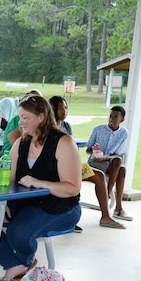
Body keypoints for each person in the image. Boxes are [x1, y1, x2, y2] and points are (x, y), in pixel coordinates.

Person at [0, 95, 82, 281]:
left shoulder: (63, 142)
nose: (20, 122)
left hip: (61, 206)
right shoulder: (21, 143)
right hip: (27, 203)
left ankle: (22, 264)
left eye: (25, 118)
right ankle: (15, 264)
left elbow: (72, 188)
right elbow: (10, 180)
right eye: (19, 117)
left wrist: (39, 182)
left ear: (41, 117)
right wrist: (3, 201)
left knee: (19, 233)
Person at [48, 95, 119, 230]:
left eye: (66, 107)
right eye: (61, 108)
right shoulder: (47, 127)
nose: (65, 111)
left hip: (70, 165)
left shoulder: (66, 126)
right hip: (53, 166)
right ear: (52, 109)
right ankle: (68, 218)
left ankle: (105, 216)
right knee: (71, 182)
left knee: (99, 176)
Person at [86, 105, 132, 222]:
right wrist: (95, 152)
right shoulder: (98, 129)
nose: (112, 119)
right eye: (111, 116)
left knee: (120, 166)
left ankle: (110, 197)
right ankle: (117, 207)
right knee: (120, 167)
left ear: (122, 119)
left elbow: (118, 154)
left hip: (111, 163)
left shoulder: (123, 133)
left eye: (116, 117)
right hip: (95, 162)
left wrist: (105, 157)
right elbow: (88, 149)